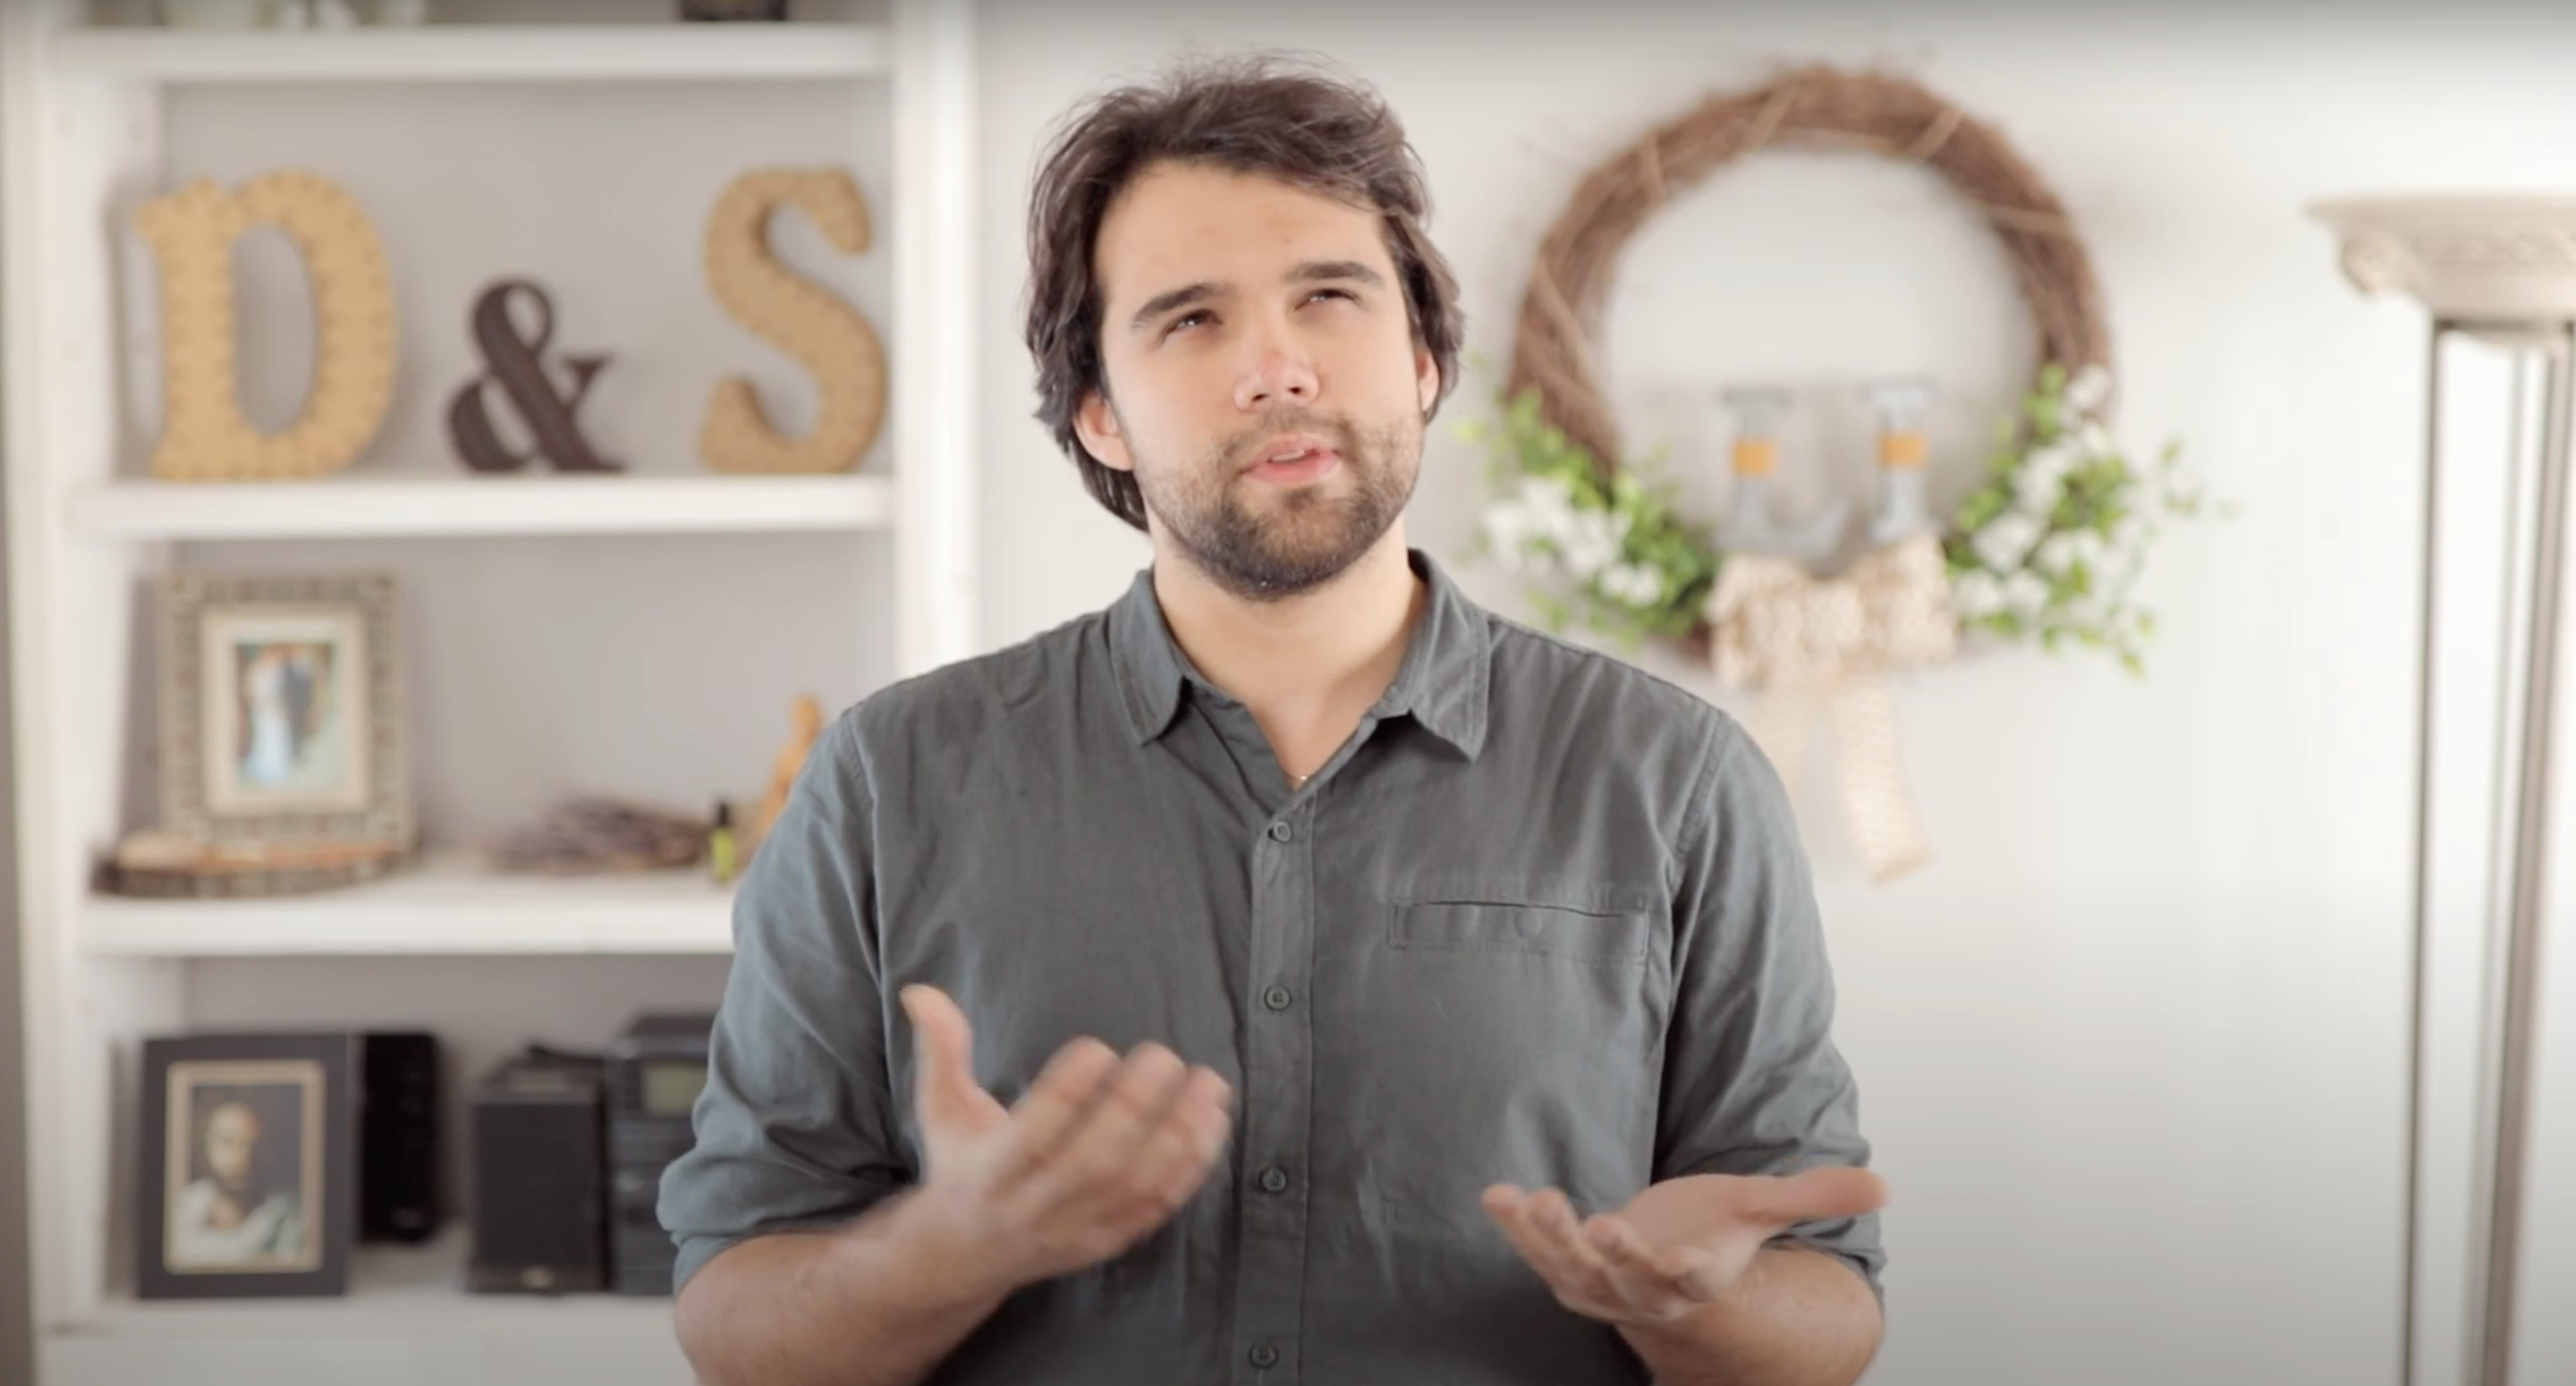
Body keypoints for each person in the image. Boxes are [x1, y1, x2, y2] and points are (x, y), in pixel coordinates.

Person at [659, 53, 1886, 1386]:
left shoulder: (1679, 779)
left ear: (1422, 361)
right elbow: (736, 1320)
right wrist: (947, 1247)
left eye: (1329, 297)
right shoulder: (887, 782)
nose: (1277, 367)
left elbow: (1825, 1311)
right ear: (1098, 415)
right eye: (1191, 320)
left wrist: (1689, 1301)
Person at [169, 1094, 306, 1270]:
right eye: (228, 1141)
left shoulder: (291, 1219)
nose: (242, 1157)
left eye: (253, 1145)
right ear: (204, 1146)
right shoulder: (179, 1208)